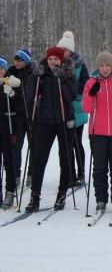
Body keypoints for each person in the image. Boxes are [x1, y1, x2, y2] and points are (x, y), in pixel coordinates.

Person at [25, 47, 77, 213]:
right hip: (44, 121)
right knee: (39, 158)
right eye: (50, 59)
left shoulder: (68, 74)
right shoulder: (41, 75)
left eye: (56, 59)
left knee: (65, 158)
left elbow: (72, 95)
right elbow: (29, 94)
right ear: (46, 60)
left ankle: (62, 193)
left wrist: (61, 80)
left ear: (61, 60)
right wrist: (35, 77)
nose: (53, 62)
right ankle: (35, 195)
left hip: (64, 120)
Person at [82, 51, 112, 213]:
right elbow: (86, 108)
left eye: (107, 65)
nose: (104, 69)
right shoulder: (90, 83)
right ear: (98, 67)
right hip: (97, 133)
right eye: (101, 65)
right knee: (99, 168)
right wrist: (91, 94)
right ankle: (101, 199)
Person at [57, 31, 89, 186]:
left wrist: (72, 87)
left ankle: (81, 173)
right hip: (61, 108)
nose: (63, 52)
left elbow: (86, 84)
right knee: (65, 144)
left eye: (66, 50)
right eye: (61, 49)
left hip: (76, 107)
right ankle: (69, 174)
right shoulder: (57, 63)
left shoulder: (80, 64)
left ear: (71, 51)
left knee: (76, 142)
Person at [6, 49, 34, 187]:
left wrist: (19, 86)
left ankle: (31, 174)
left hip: (31, 114)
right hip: (16, 115)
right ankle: (16, 174)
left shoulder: (31, 72)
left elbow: (28, 94)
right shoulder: (10, 71)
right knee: (15, 146)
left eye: (20, 60)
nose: (16, 63)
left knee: (33, 146)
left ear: (26, 61)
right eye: (15, 60)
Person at [0, 56, 22, 209]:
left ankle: (10, 192)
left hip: (9, 128)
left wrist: (13, 95)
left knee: (10, 162)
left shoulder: (11, 82)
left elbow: (20, 106)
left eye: (1, 68)